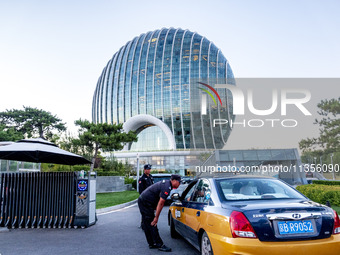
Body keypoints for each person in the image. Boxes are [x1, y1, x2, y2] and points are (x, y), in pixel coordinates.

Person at [138, 174, 181, 252]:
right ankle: (159, 244)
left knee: (147, 223)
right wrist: (156, 217)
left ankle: (151, 243)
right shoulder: (167, 187)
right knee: (152, 223)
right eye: (179, 182)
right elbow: (161, 203)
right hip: (145, 203)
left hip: (144, 201)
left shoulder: (167, 184)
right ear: (174, 181)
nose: (179, 184)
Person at [138, 164, 154, 229]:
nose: (149, 170)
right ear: (144, 170)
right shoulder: (142, 178)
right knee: (145, 211)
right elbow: (141, 190)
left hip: (151, 197)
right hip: (145, 197)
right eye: (147, 169)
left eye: (149, 169)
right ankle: (143, 224)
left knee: (150, 211)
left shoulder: (151, 177)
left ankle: (150, 223)